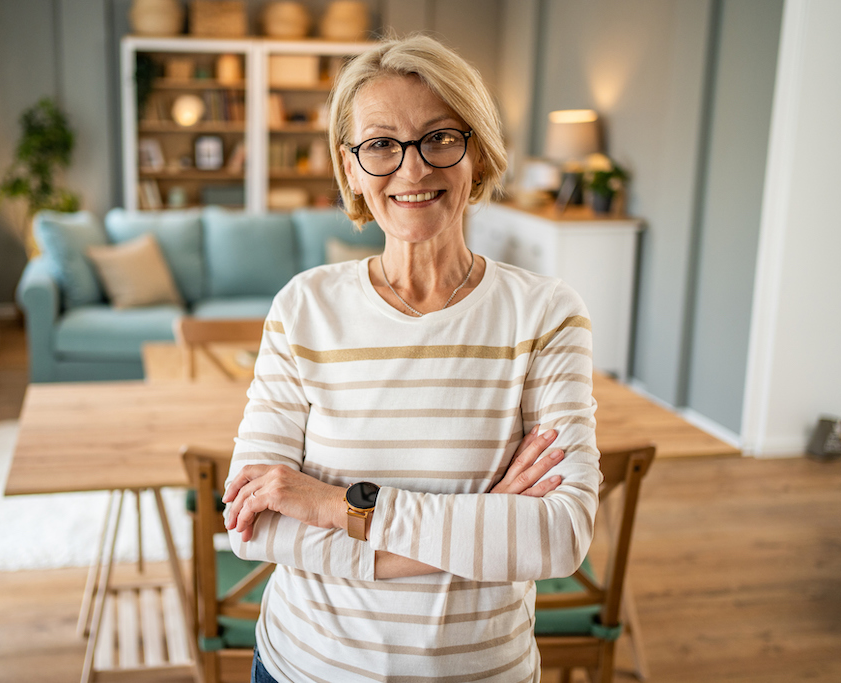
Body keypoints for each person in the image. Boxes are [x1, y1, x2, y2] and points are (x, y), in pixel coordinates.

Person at [222, 34, 600, 683]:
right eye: (380, 145)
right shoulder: (302, 309)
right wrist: (484, 524)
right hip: (303, 667)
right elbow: (255, 529)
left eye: (439, 138)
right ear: (350, 168)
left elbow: (559, 534)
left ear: (474, 152)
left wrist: (339, 506)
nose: (413, 168)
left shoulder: (545, 314)